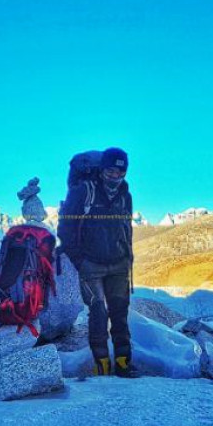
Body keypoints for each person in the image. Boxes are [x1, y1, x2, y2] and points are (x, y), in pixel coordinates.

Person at [58, 147, 139, 378]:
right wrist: (79, 261)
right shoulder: (84, 191)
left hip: (119, 265)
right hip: (90, 265)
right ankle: (101, 364)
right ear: (102, 169)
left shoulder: (125, 195)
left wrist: (128, 257)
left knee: (120, 314)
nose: (115, 177)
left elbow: (126, 228)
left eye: (120, 173)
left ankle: (124, 363)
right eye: (110, 171)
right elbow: (65, 228)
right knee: (98, 313)